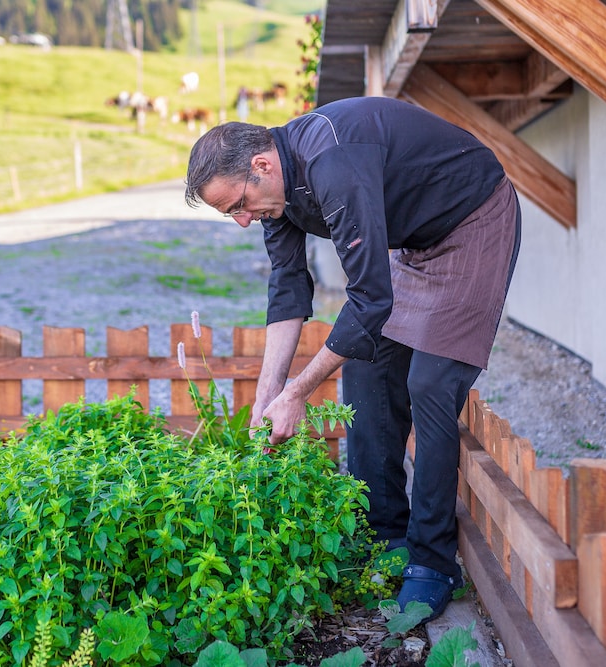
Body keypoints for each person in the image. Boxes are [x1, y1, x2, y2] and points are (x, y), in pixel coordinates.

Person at [183, 96, 521, 623]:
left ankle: (433, 561)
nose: (243, 221)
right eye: (231, 214)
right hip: (417, 243)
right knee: (365, 364)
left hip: (471, 221)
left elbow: (369, 298)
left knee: (431, 383)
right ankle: (385, 535)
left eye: (238, 206)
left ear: (262, 166)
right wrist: (266, 395)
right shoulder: (278, 193)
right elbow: (289, 289)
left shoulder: (331, 162)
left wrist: (297, 393)